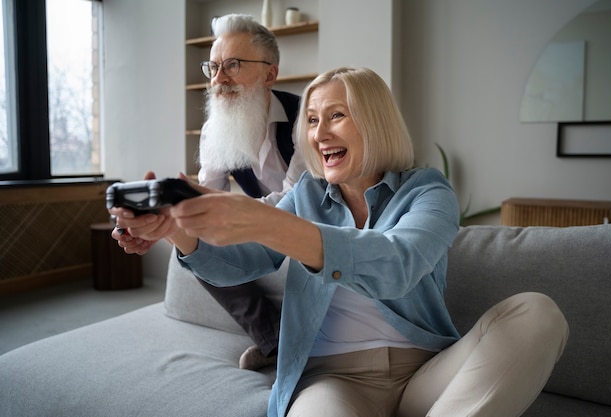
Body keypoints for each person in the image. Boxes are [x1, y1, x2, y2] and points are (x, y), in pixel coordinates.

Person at [112, 67, 569, 417]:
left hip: (427, 373)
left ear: (373, 121)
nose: (318, 133)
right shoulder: (305, 195)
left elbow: (399, 264)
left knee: (536, 312)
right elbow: (242, 262)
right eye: (312, 120)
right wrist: (176, 232)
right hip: (332, 379)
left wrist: (264, 221)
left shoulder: (427, 191)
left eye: (336, 116)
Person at [111, 14, 305, 371]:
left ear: (270, 74)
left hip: (308, 223)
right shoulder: (215, 129)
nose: (218, 79)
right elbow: (205, 203)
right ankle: (274, 339)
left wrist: (221, 213)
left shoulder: (306, 120)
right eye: (213, 67)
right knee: (199, 251)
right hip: (260, 222)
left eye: (233, 65)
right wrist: (163, 224)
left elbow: (292, 206)